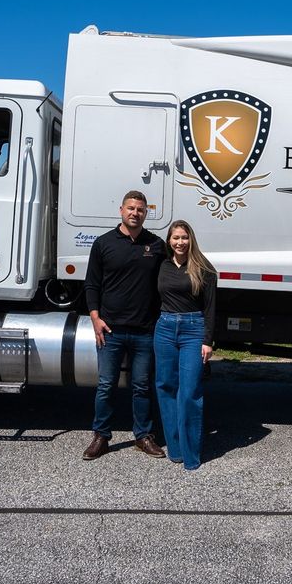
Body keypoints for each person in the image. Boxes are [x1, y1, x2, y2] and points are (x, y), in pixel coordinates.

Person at [82, 191, 167, 460]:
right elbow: (92, 284)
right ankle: (101, 436)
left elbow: (168, 280)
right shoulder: (103, 243)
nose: (135, 213)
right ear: (121, 210)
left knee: (142, 386)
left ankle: (143, 436)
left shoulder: (156, 245)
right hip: (111, 331)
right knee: (106, 385)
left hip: (145, 331)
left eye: (140, 209)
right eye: (131, 208)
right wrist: (95, 318)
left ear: (146, 213)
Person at [154, 220, 217, 470]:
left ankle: (191, 456)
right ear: (169, 241)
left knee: (190, 391)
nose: (180, 242)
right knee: (166, 387)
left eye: (184, 237)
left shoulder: (204, 268)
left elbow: (211, 308)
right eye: (175, 238)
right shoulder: (162, 265)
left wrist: (207, 341)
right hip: (165, 328)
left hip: (193, 330)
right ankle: (176, 449)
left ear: (191, 240)